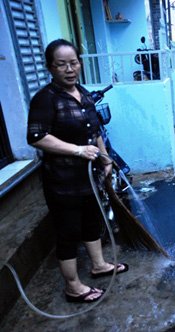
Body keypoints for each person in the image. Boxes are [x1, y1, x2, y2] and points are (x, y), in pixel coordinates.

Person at [27, 39, 128, 303]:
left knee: (91, 221)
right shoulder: (45, 99)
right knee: (68, 230)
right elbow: (37, 136)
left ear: (80, 64)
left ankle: (98, 265)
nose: (69, 69)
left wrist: (105, 158)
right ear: (51, 68)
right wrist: (77, 150)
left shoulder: (82, 94)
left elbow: (93, 131)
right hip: (62, 180)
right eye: (62, 64)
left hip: (89, 176)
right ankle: (72, 286)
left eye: (73, 63)